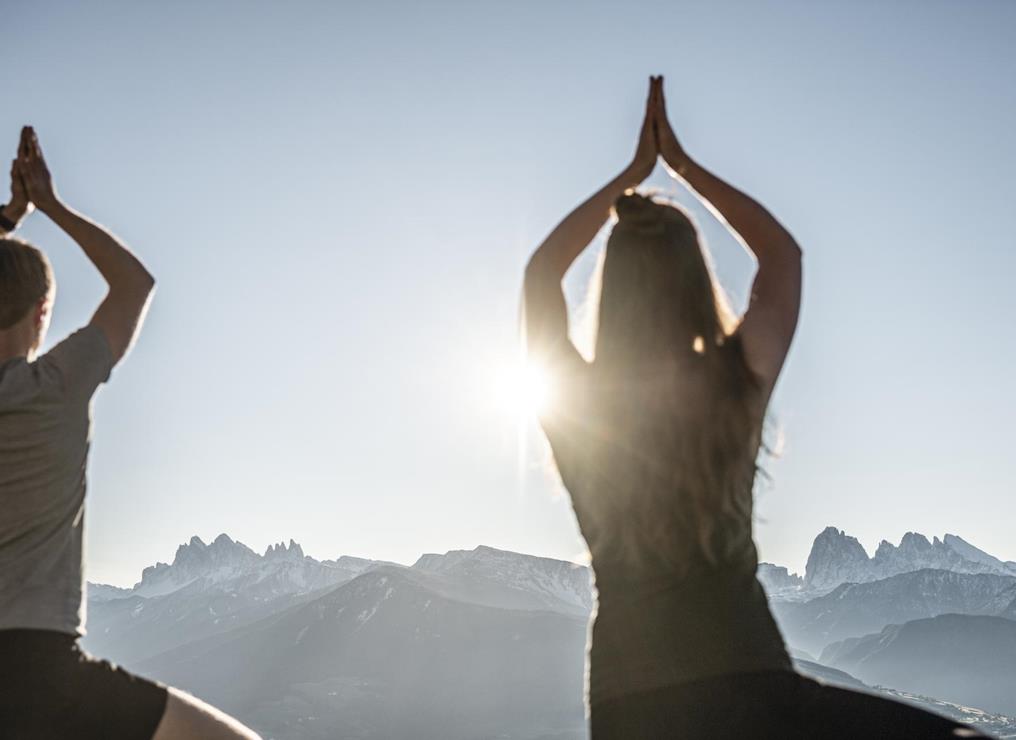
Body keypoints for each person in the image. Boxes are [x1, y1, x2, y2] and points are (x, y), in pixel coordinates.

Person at [522, 77, 987, 739]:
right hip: (753, 688)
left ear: (613, 290)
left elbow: (540, 275)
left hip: (629, 705)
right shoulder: (730, 387)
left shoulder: (581, 410)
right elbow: (782, 258)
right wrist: (678, 165)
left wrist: (629, 179)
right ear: (693, 282)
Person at [0, 127, 261, 739]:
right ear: (43, 314)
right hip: (37, 668)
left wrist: (7, 220)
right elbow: (134, 284)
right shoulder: (57, 386)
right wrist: (47, 205)